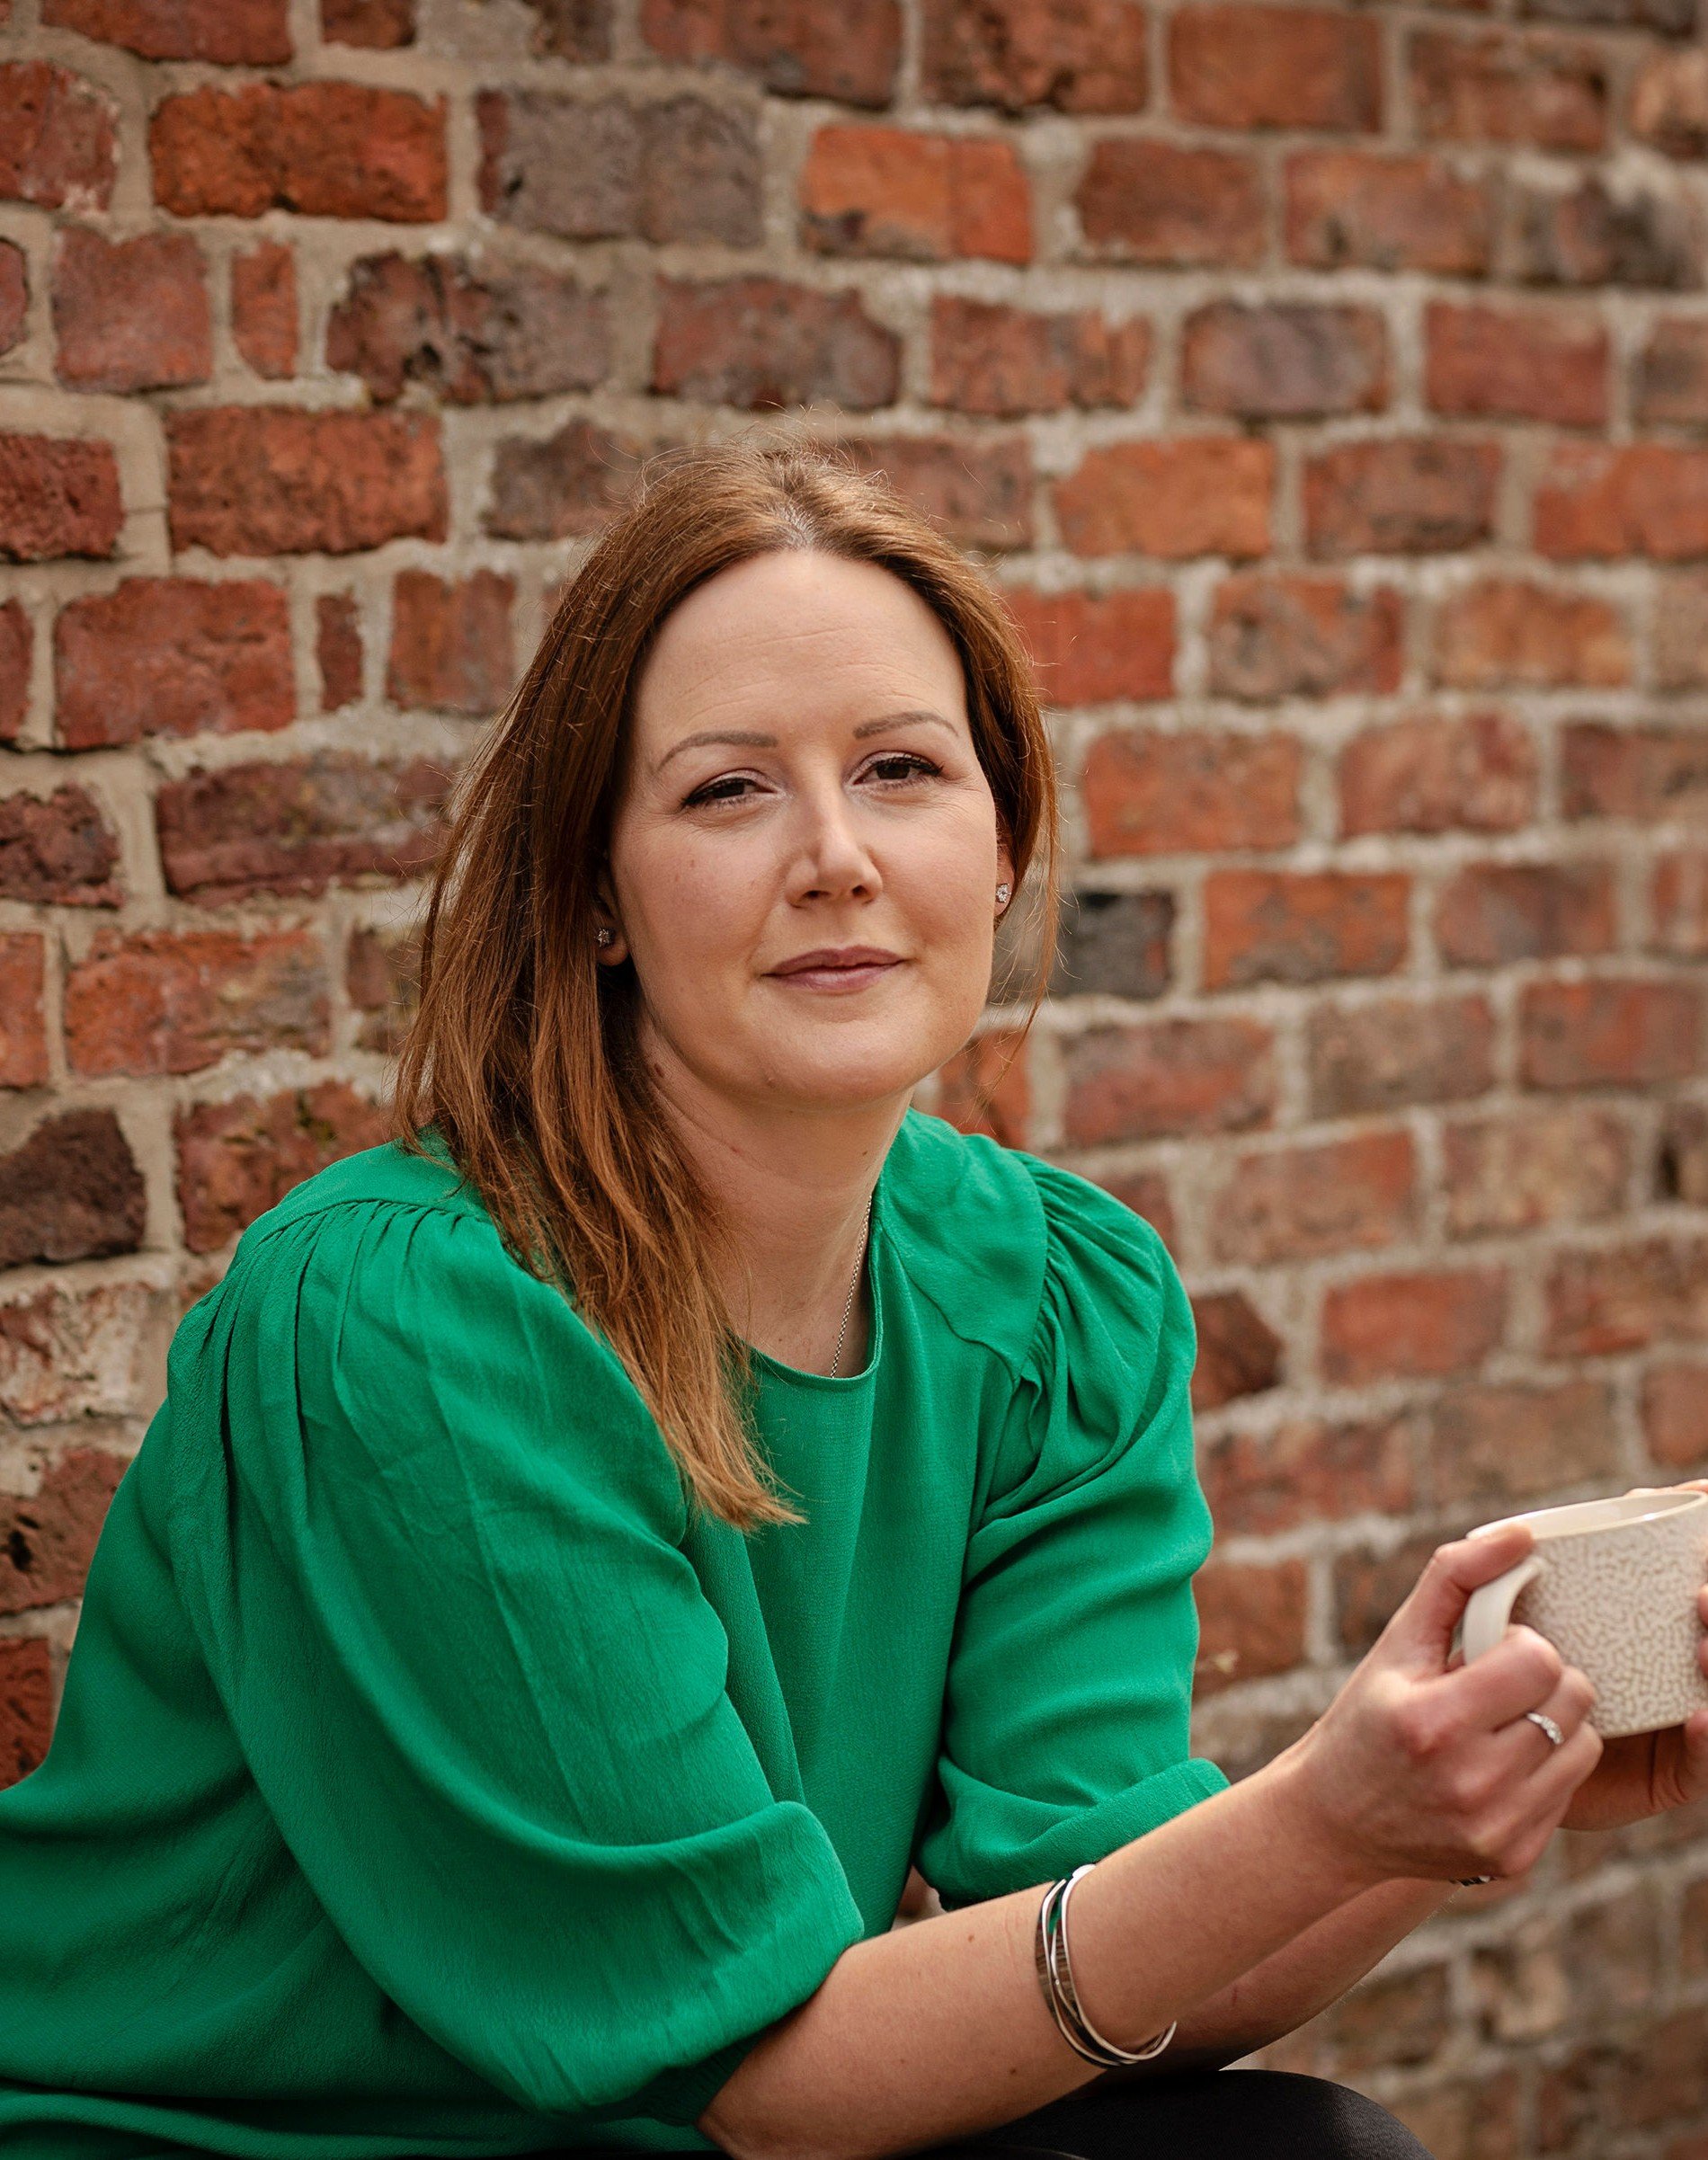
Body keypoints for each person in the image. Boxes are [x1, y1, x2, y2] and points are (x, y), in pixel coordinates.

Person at [3, 441, 1706, 2160]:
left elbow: (1100, 1946)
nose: (832, 857)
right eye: (728, 792)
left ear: (1002, 845)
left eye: (900, 768)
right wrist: (1327, 1817)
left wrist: (1453, 1801)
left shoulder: (1053, 1301)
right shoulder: (406, 1327)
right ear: (596, 891)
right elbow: (762, 2083)